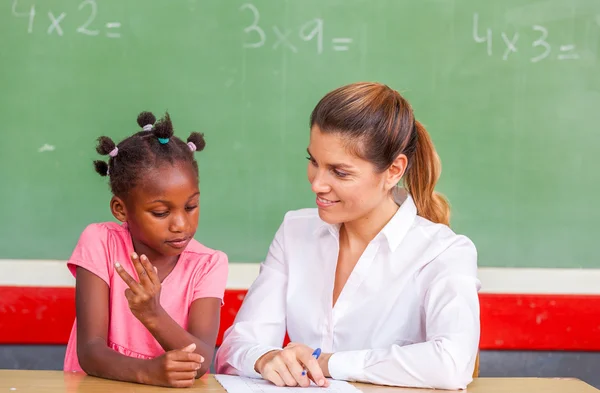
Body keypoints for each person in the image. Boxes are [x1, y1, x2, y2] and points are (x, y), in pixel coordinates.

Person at [215, 82, 480, 390]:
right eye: (313, 162)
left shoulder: (443, 251)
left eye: (340, 172)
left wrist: (327, 362)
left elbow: (451, 364)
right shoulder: (295, 231)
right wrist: (265, 358)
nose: (317, 184)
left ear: (394, 171)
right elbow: (237, 346)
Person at [63, 112, 228, 388]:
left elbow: (201, 361)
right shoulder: (100, 242)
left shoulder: (208, 264)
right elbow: (90, 351)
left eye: (191, 207)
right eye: (161, 212)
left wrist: (153, 314)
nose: (181, 225)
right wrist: (147, 372)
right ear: (120, 209)